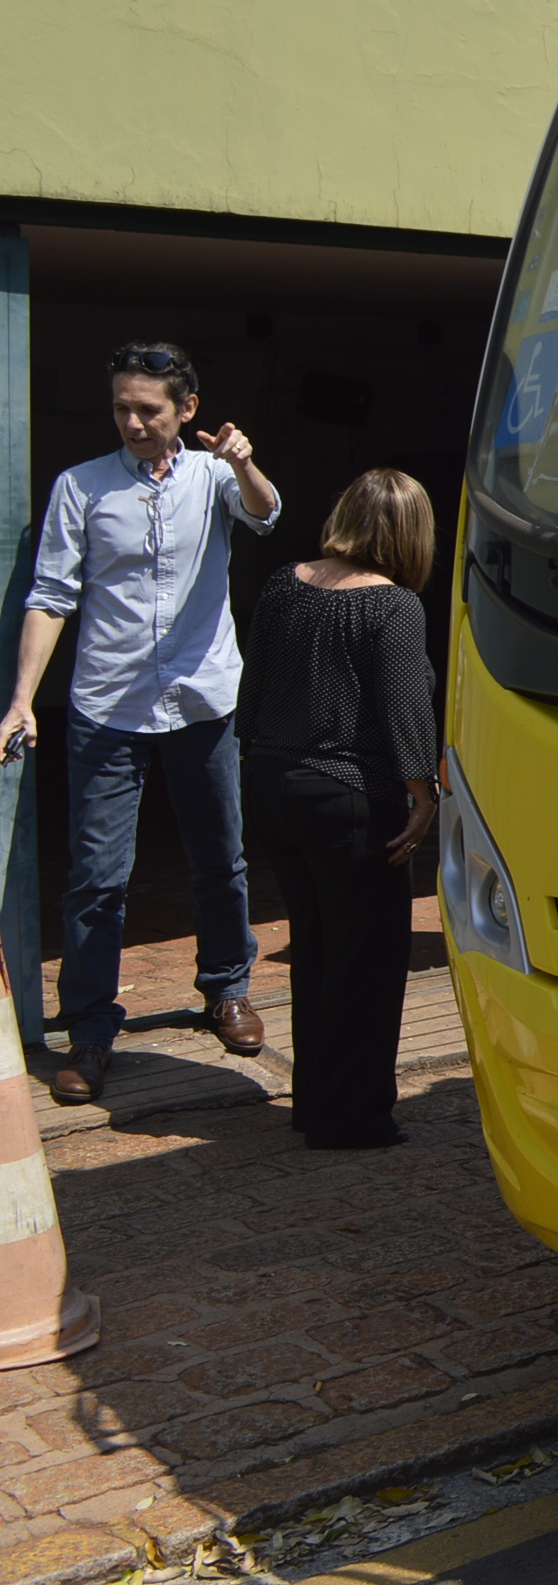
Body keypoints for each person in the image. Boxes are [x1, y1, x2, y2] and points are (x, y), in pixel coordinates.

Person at [0, 343, 280, 1106]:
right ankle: (90, 1032)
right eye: (122, 406)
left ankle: (227, 989)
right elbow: (50, 594)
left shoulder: (214, 474)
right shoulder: (80, 487)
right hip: (108, 707)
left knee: (221, 859)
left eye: (148, 409)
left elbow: (265, 515)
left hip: (201, 700)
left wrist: (245, 462)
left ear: (185, 409)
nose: (132, 421)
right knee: (96, 879)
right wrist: (23, 697)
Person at [238, 471, 438, 1150]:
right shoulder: (395, 607)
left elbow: (254, 688)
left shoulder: (284, 584)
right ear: (411, 533)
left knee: (318, 948)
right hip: (350, 798)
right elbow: (406, 709)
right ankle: (351, 1117)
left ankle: (314, 1105)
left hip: (273, 785)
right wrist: (423, 792)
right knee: (368, 960)